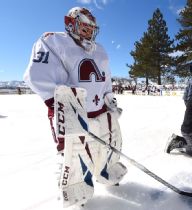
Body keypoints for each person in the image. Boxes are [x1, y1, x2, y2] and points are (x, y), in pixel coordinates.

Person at [23, 7, 127, 207]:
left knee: (108, 146)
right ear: (71, 23)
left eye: (91, 29)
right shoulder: (52, 41)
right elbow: (37, 75)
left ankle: (108, 174)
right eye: (84, 27)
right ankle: (77, 192)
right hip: (73, 111)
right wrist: (60, 103)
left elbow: (105, 79)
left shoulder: (100, 50)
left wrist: (109, 99)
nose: (88, 32)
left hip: (100, 109)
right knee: (75, 154)